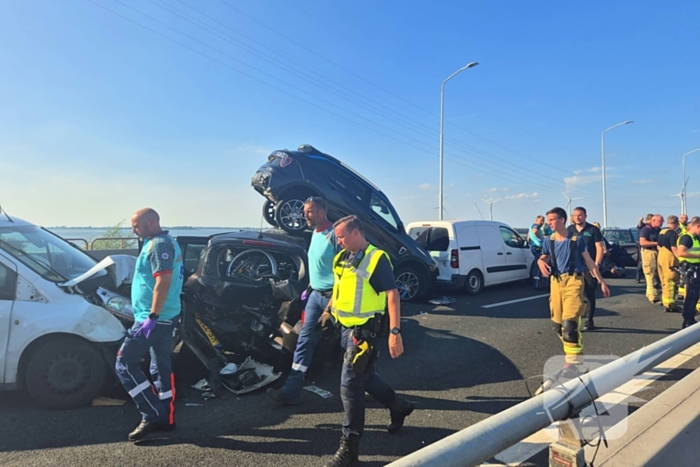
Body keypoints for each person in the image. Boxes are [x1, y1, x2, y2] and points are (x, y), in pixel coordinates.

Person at [320, 215, 413, 467]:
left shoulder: (376, 258)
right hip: (344, 329)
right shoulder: (342, 257)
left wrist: (395, 332)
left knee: (349, 386)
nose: (337, 242)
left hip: (363, 333)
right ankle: (398, 405)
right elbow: (340, 287)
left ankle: (349, 448)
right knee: (365, 377)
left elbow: (392, 295)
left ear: (355, 233)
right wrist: (328, 310)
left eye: (340, 236)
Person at [116, 208, 184, 441]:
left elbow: (162, 282)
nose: (133, 230)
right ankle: (167, 417)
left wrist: (152, 317)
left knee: (124, 363)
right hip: (167, 315)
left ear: (151, 222)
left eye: (136, 225)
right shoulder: (163, 241)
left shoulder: (159, 245)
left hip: (155, 318)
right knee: (160, 366)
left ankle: (152, 413)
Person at [267, 197, 341, 405]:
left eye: (309, 211)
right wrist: (310, 285)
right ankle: (290, 391)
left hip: (333, 298)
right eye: (304, 211)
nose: (304, 215)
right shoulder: (315, 234)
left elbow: (346, 272)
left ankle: (369, 387)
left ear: (321, 212)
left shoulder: (335, 235)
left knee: (349, 344)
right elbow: (320, 265)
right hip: (315, 296)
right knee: (304, 341)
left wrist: (331, 305)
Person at [537, 207, 610, 375]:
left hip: (574, 281)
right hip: (556, 283)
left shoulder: (578, 240)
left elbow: (590, 262)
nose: (549, 224)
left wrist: (602, 282)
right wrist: (541, 261)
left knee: (569, 323)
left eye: (552, 220)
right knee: (557, 325)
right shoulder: (549, 240)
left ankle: (573, 363)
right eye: (548, 221)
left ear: (562, 220)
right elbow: (545, 256)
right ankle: (575, 355)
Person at [568, 207, 605, 331]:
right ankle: (573, 321)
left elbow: (599, 248)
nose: (577, 217)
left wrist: (596, 265)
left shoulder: (593, 230)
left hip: (589, 266)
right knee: (574, 295)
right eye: (575, 215)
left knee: (589, 294)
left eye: (580, 215)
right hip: (573, 267)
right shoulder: (569, 230)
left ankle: (589, 321)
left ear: (585, 216)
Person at [676, 216, 700, 329]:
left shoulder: (696, 238)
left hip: (697, 268)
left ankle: (691, 317)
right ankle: (688, 319)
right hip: (691, 269)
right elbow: (680, 252)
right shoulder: (686, 238)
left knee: (695, 295)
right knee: (692, 295)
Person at [657, 215, 681, 313]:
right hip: (669, 257)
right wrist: (681, 258)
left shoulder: (662, 231)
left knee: (663, 280)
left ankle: (665, 300)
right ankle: (670, 305)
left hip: (661, 255)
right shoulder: (672, 233)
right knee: (671, 280)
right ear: (676, 223)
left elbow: (658, 245)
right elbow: (674, 248)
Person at [639, 214, 663, 304]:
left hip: (657, 252)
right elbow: (642, 242)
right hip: (648, 253)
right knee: (651, 273)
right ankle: (654, 297)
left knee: (657, 274)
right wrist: (657, 243)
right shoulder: (646, 229)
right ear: (653, 220)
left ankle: (652, 294)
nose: (661, 223)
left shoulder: (658, 230)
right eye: (660, 221)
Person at [529, 216, 546, 289]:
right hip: (537, 247)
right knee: (539, 264)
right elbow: (535, 231)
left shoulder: (531, 226)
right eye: (541, 221)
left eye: (543, 221)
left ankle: (537, 283)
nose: (542, 222)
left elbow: (528, 236)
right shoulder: (536, 226)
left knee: (537, 264)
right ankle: (538, 283)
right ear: (536, 220)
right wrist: (541, 238)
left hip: (535, 247)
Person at [636, 214, 653, 283]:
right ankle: (638, 276)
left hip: (650, 246)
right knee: (641, 261)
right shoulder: (644, 226)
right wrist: (640, 220)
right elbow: (640, 225)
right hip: (642, 246)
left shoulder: (652, 227)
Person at [677, 213, 689, 299]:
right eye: (683, 218)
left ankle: (682, 292)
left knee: (684, 275)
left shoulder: (687, 226)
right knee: (683, 274)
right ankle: (681, 293)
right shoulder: (678, 227)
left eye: (686, 218)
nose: (685, 220)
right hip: (682, 250)